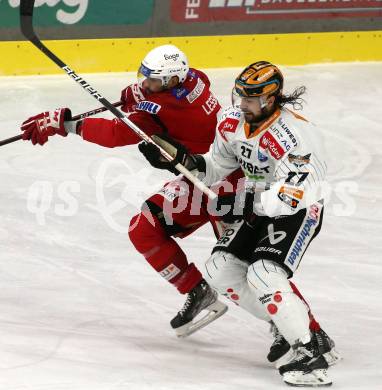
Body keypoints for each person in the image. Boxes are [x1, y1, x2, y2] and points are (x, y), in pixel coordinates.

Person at [20, 47, 336, 363]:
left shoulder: (181, 104)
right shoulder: (186, 86)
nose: (145, 84)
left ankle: (307, 333)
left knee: (258, 267)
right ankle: (198, 290)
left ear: (172, 78)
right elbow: (149, 105)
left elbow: (120, 132)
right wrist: (148, 109)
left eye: (153, 80)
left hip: (238, 184)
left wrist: (69, 126)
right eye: (145, 77)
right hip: (205, 172)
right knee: (150, 229)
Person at [137, 61, 339, 386]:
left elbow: (297, 193)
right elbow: (216, 166)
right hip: (258, 206)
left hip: (298, 209)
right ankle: (293, 329)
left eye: (250, 99)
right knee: (220, 270)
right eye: (240, 95)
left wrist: (246, 202)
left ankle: (310, 352)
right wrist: (182, 161)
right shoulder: (232, 119)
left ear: (270, 99)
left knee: (263, 273)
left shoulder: (297, 136)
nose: (241, 104)